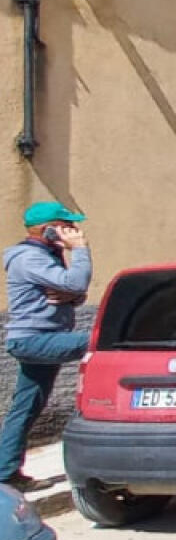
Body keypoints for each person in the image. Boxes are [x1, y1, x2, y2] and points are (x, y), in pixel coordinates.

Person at [2, 202, 93, 491]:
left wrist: (71, 296)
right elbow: (76, 283)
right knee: (103, 342)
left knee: (26, 407)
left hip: (45, 335)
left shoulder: (47, 256)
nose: (73, 230)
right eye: (66, 224)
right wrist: (80, 249)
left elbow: (74, 292)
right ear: (48, 228)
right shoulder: (30, 258)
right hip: (34, 339)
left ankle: (6, 472)